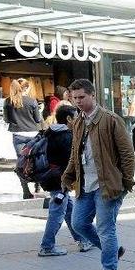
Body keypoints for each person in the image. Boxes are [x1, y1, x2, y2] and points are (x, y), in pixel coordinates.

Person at [61, 79, 134, 270]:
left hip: (108, 184)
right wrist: (68, 176)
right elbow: (75, 154)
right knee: (78, 223)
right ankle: (112, 249)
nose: (78, 102)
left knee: (105, 227)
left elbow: (127, 154)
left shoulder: (111, 119)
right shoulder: (78, 122)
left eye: (82, 97)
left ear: (93, 95)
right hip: (85, 183)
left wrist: (126, 182)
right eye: (74, 98)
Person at [38, 104, 88, 256]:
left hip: (50, 176)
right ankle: (47, 246)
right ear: (68, 118)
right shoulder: (66, 136)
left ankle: (83, 240)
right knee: (57, 212)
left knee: (69, 209)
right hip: (59, 179)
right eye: (75, 116)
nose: (78, 119)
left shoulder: (50, 131)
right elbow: (70, 162)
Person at [4, 77, 42, 199]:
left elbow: (6, 119)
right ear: (26, 88)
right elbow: (38, 119)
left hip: (18, 135)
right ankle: (37, 184)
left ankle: (26, 191)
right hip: (33, 135)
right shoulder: (32, 101)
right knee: (36, 160)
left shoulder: (8, 101)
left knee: (22, 163)